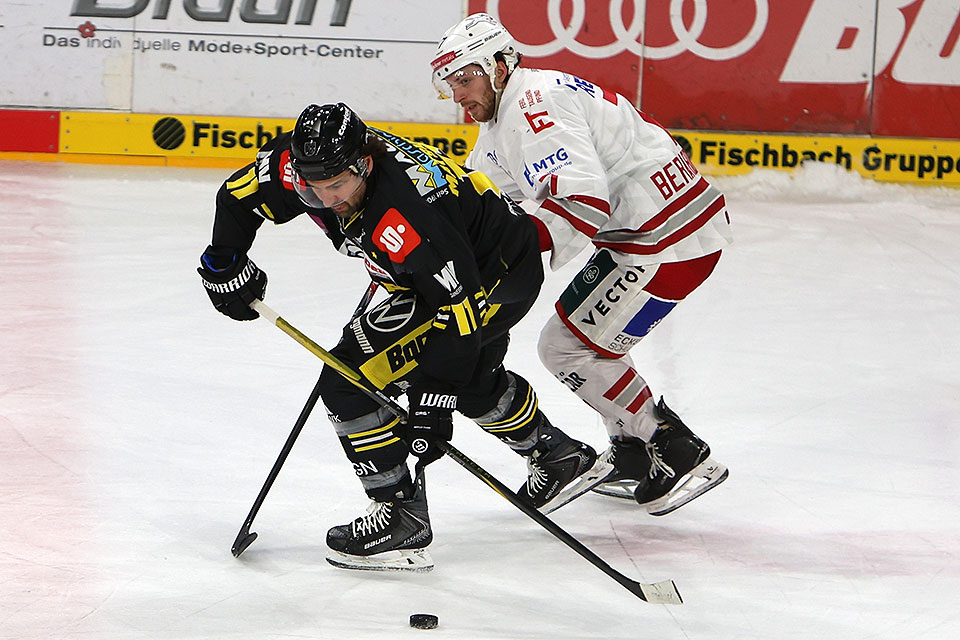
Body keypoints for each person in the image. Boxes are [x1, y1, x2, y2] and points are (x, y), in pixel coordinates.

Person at [198, 102, 611, 571]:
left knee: (349, 381)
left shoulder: (405, 215)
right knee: (472, 379)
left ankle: (401, 517)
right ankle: (557, 455)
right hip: (457, 266)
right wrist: (223, 263)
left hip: (488, 279)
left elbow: (457, 312)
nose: (328, 199)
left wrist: (433, 403)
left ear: (365, 165)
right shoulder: (300, 166)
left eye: (338, 187)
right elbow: (236, 198)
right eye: (314, 188)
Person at [430, 13, 732, 516]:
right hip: (657, 236)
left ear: (500, 64)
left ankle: (676, 449)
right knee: (592, 340)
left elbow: (581, 201)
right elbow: (480, 201)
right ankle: (635, 456)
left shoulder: (533, 105)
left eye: (465, 78)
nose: (457, 95)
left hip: (668, 243)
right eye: (449, 84)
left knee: (566, 348)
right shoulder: (508, 116)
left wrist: (509, 258)